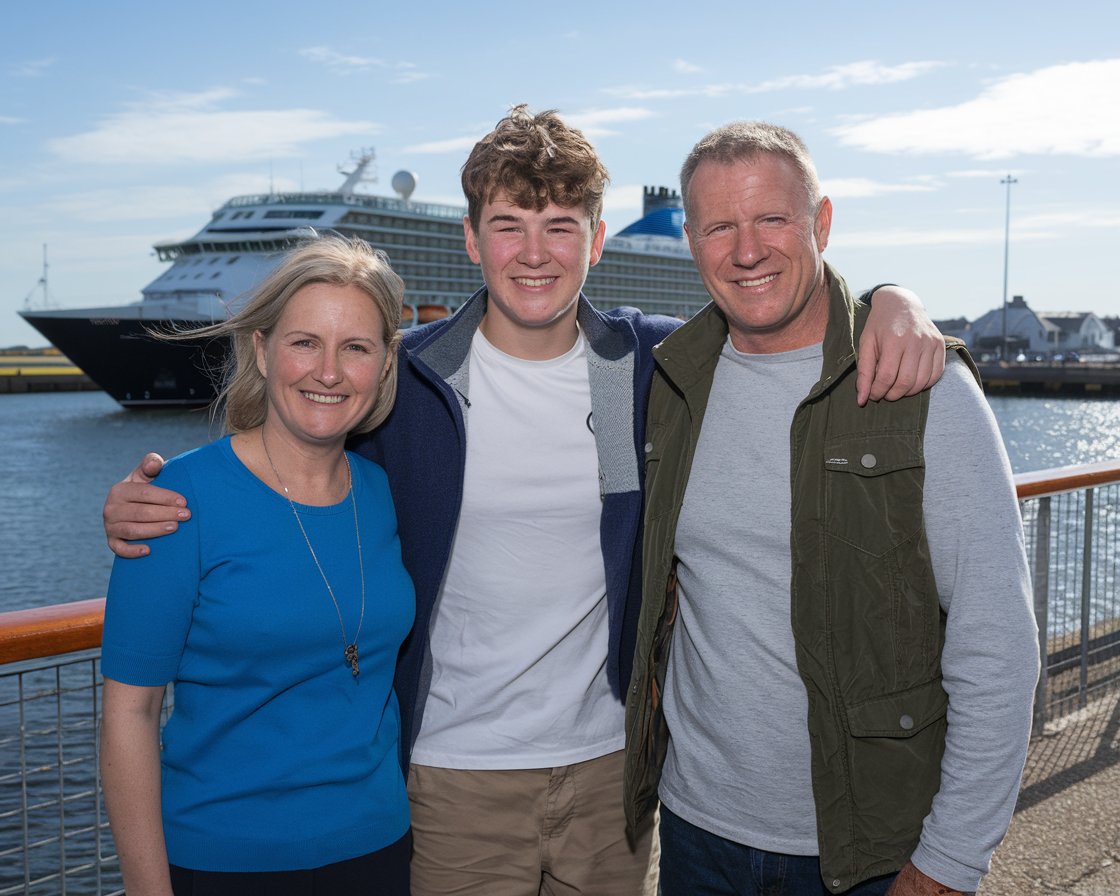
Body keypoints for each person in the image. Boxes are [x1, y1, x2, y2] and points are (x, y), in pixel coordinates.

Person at [103, 106, 947, 896]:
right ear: (471, 239)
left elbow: (785, 317)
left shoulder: (653, 364)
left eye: (559, 228)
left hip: (610, 775)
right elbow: (295, 430)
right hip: (451, 780)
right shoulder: (406, 377)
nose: (534, 253)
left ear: (599, 241)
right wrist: (154, 500)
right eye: (509, 225)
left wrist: (893, 301)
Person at [623, 121, 1040, 896]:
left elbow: (999, 649)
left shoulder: (927, 391)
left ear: (820, 223)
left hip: (867, 853)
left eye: (773, 219)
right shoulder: (673, 387)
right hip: (694, 834)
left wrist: (950, 863)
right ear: (692, 241)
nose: (747, 251)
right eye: (721, 226)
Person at [99, 235, 414, 896]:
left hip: (379, 849)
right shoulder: (175, 503)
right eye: (305, 342)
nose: (327, 372)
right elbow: (129, 715)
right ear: (262, 349)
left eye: (354, 347)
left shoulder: (384, 493)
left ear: (385, 364)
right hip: (222, 865)